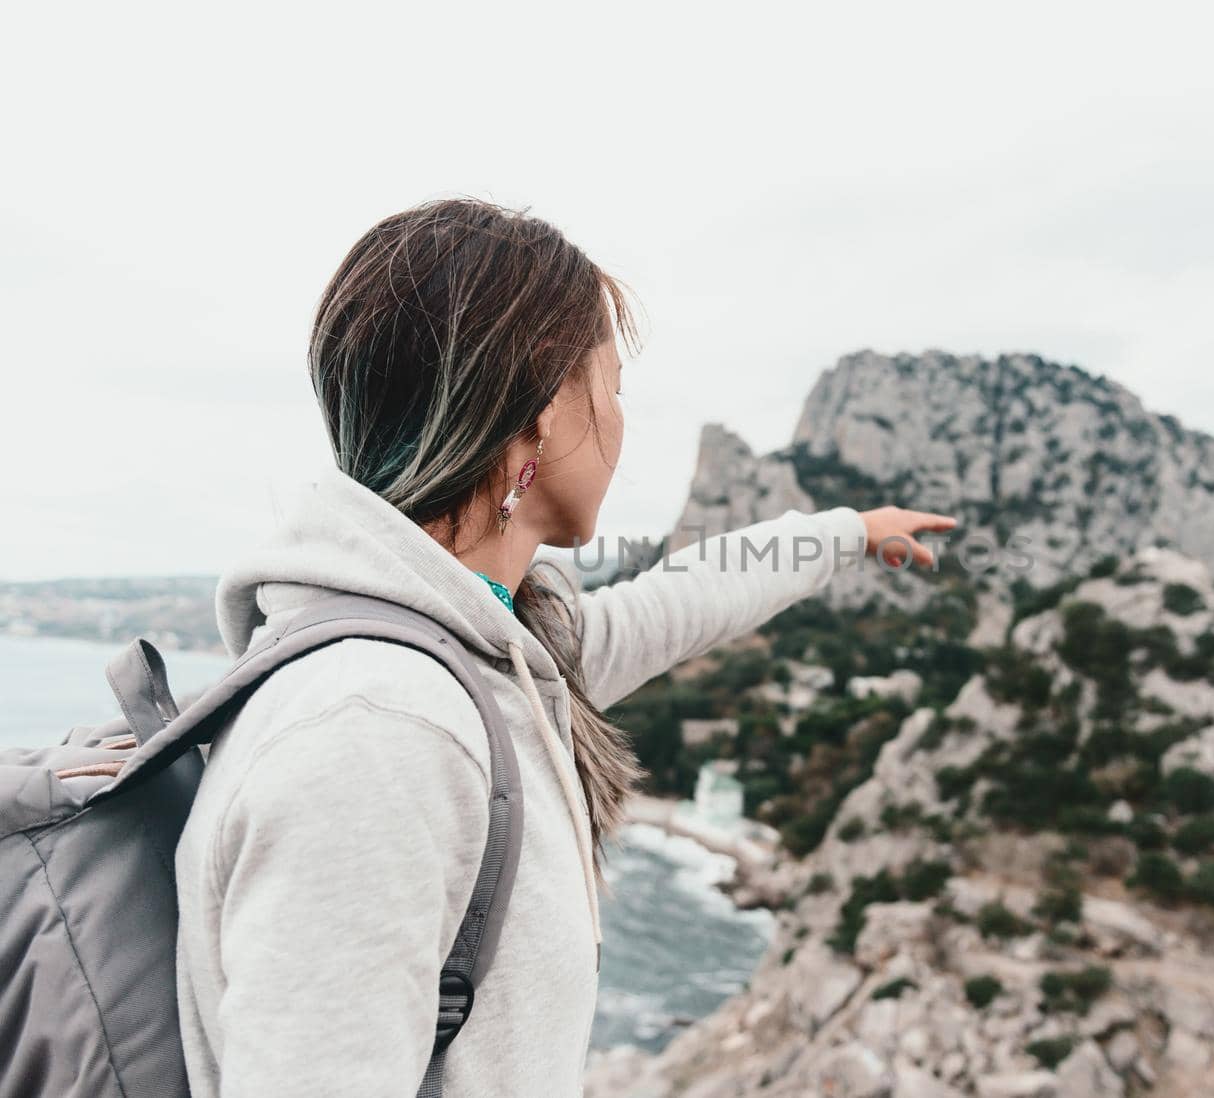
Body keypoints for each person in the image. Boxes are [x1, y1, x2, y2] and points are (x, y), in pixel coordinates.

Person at [171, 195, 956, 1097]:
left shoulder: (492, 652)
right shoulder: (380, 732)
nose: (621, 422)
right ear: (543, 412)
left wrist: (847, 530)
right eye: (611, 388)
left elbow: (679, 600)